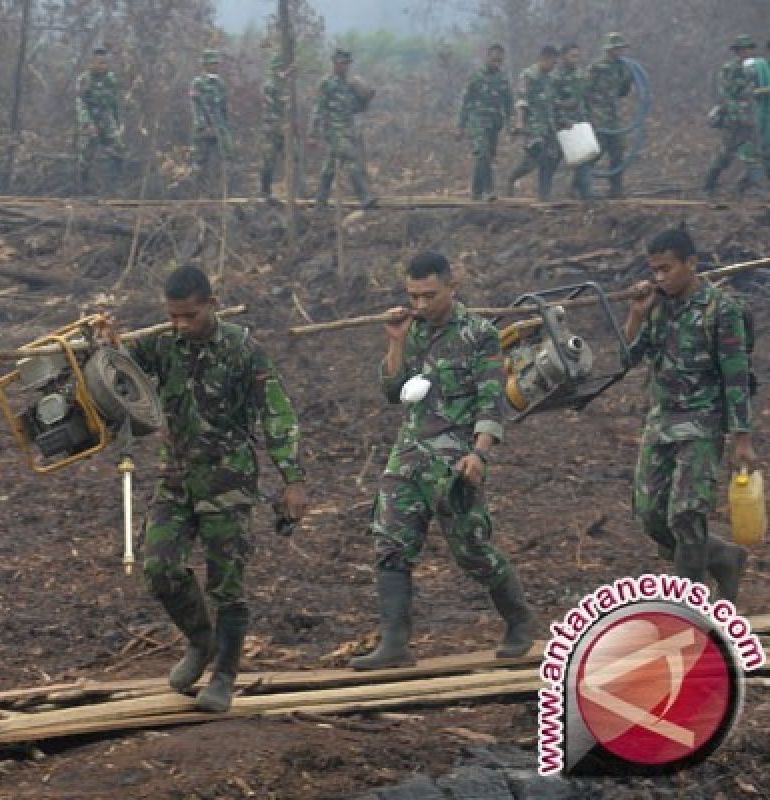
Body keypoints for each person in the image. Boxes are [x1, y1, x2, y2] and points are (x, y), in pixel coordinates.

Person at [102, 265, 307, 712]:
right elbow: (118, 375)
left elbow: (276, 413)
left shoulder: (241, 349)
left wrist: (292, 477)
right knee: (158, 567)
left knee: (226, 584)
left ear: (212, 306)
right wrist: (108, 345)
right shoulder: (160, 344)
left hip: (226, 483)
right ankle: (201, 641)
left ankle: (225, 676)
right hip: (175, 479)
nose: (181, 324)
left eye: (190, 316)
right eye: (173, 316)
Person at [350, 252, 537, 671]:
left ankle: (519, 619)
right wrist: (396, 341)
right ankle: (395, 642)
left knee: (471, 548)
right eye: (413, 296)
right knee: (390, 540)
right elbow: (392, 390)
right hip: (410, 451)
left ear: (453, 286)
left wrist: (480, 453)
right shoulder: (412, 329)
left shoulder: (479, 334)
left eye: (429, 295)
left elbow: (493, 398)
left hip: (454, 457)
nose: (420, 305)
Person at [624, 228, 754, 602]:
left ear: (691, 263)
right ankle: (724, 556)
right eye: (655, 270)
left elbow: (736, 374)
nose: (660, 278)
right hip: (661, 422)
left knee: (686, 515)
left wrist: (741, 437)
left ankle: (689, 609)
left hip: (703, 423)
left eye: (667, 269)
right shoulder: (658, 306)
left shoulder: (720, 309)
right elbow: (628, 357)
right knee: (651, 515)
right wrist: (636, 316)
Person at [308, 48, 378, 209]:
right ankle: (365, 197)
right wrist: (313, 134)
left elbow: (355, 108)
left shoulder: (348, 85)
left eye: (347, 63)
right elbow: (317, 108)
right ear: (334, 64)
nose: (345, 67)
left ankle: (320, 202)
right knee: (352, 159)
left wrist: (367, 99)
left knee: (330, 167)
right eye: (342, 63)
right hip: (333, 130)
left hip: (347, 130)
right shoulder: (327, 83)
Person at [702, 35, 769, 199]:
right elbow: (726, 94)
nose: (747, 52)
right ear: (737, 51)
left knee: (753, 155)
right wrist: (736, 111)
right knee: (724, 157)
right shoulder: (729, 69)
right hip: (734, 119)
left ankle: (754, 189)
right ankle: (708, 187)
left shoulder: (759, 68)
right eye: (743, 49)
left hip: (753, 118)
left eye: (749, 49)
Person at [457, 43, 513, 201]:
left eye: (499, 60)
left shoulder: (503, 79)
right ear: (487, 57)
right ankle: (489, 191)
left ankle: (476, 191)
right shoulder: (476, 77)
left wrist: (511, 125)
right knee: (483, 154)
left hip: (494, 123)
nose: (497, 62)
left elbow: (508, 104)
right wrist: (461, 125)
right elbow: (466, 101)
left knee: (488, 157)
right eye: (494, 59)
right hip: (477, 121)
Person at [506, 46, 559, 201]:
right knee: (537, 156)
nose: (554, 66)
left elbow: (552, 103)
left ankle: (545, 194)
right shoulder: (529, 75)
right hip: (533, 126)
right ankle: (512, 178)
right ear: (543, 58)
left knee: (550, 158)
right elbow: (522, 100)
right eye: (552, 63)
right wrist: (520, 122)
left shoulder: (550, 79)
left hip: (548, 126)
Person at [585, 32, 633, 199]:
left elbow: (622, 92)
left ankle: (616, 189)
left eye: (621, 48)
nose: (620, 51)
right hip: (599, 115)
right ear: (609, 49)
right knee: (597, 150)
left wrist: (628, 80)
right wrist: (588, 114)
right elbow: (585, 90)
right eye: (617, 48)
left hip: (613, 116)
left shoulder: (623, 68)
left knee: (617, 151)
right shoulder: (596, 67)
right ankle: (580, 185)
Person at [76, 46, 125, 194]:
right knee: (86, 154)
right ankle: (84, 187)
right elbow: (80, 103)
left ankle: (115, 187)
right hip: (90, 118)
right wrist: (87, 123)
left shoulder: (111, 79)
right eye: (99, 63)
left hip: (107, 118)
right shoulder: (85, 79)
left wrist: (119, 122)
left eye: (104, 63)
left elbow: (115, 101)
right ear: (92, 63)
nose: (102, 66)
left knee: (118, 148)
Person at [550, 42, 594, 201]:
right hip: (562, 125)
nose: (576, 59)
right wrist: (562, 119)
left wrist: (590, 118)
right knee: (552, 159)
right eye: (572, 56)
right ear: (563, 57)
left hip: (579, 124)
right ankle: (546, 191)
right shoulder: (556, 78)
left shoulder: (582, 76)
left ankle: (586, 194)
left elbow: (587, 98)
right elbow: (551, 102)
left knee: (584, 158)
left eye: (577, 56)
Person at [190, 49, 232, 195]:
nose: (215, 66)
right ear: (205, 65)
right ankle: (200, 194)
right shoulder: (198, 83)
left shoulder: (220, 84)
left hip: (219, 129)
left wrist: (226, 128)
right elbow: (196, 106)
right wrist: (203, 126)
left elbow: (224, 108)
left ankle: (216, 193)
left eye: (216, 63)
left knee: (220, 161)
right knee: (200, 161)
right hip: (203, 130)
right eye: (212, 63)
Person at [259, 55, 288, 199]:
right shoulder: (269, 86)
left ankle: (291, 191)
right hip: (271, 129)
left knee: (291, 158)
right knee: (268, 161)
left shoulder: (285, 85)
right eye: (277, 68)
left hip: (284, 130)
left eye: (281, 68)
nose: (280, 71)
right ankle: (265, 191)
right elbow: (273, 105)